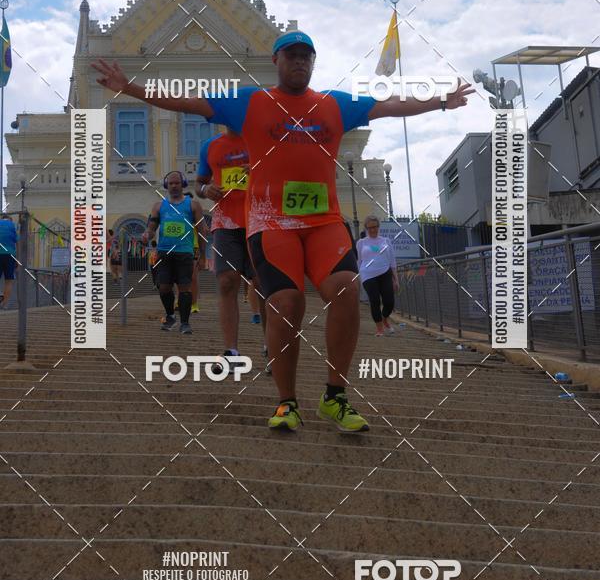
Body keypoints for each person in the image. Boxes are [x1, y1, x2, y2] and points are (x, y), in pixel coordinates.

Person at [93, 33, 473, 430]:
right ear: (277, 60)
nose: (300, 63)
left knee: (344, 288)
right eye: (292, 56)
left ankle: (335, 396)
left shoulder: (333, 104)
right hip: (271, 223)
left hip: (324, 222)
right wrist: (129, 87)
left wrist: (441, 101)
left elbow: (391, 106)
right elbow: (184, 100)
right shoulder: (251, 102)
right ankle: (286, 401)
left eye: (307, 57)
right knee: (287, 303)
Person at [196, 129, 267, 370]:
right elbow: (200, 184)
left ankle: (272, 345)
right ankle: (231, 351)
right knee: (227, 281)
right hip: (224, 222)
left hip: (259, 218)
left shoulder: (261, 139)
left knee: (261, 282)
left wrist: (259, 170)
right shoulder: (210, 145)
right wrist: (206, 191)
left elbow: (283, 171)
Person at [142, 170, 207, 334]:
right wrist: (146, 235)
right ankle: (170, 315)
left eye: (177, 183)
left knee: (185, 288)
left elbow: (202, 230)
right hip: (164, 253)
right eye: (171, 183)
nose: (174, 186)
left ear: (183, 184)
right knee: (163, 287)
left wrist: (203, 255)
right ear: (166, 185)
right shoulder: (159, 206)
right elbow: (151, 228)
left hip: (184, 252)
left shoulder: (193, 205)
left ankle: (185, 323)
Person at [357, 215, 398, 336]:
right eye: (369, 228)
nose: (372, 230)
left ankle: (385, 318)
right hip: (368, 275)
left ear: (378, 227)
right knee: (374, 300)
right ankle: (379, 328)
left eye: (375, 227)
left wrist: (395, 279)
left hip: (385, 272)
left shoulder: (386, 241)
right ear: (366, 228)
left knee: (389, 301)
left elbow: (392, 260)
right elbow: (360, 261)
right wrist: (359, 277)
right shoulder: (361, 243)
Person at [0, 214, 17, 309]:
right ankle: (4, 305)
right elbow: (17, 242)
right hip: (10, 254)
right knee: (9, 281)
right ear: (10, 219)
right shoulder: (12, 225)